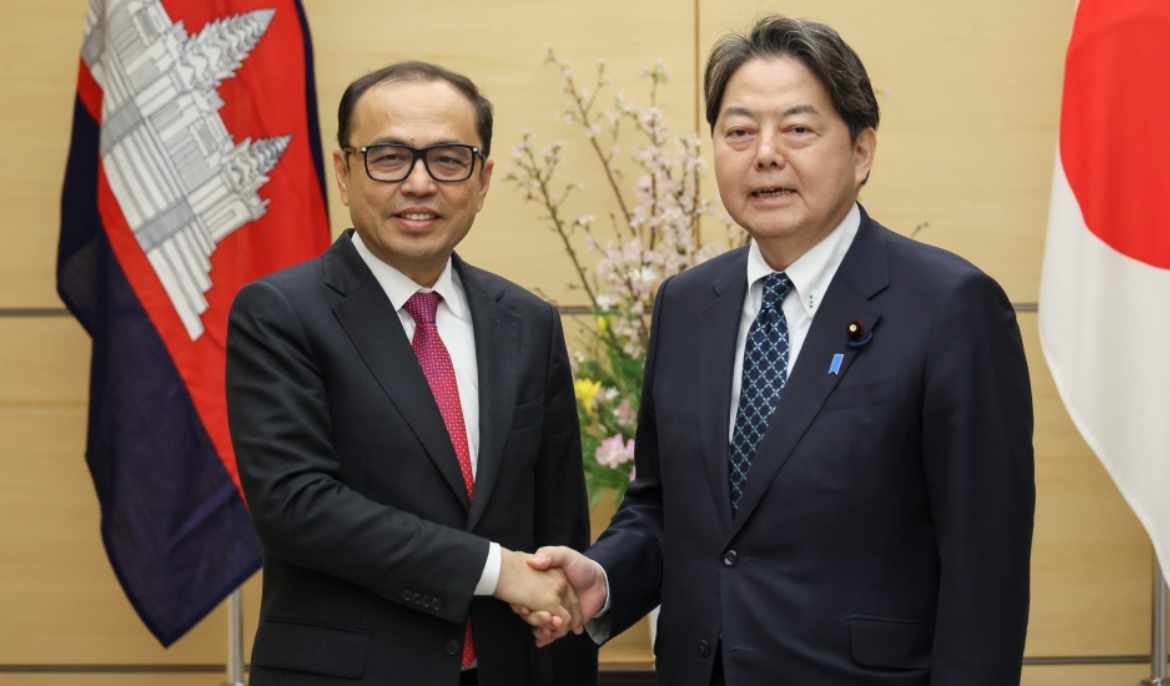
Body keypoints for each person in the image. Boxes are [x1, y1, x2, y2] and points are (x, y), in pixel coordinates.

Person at [523, 15, 1035, 686]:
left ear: (861, 151)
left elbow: (985, 574)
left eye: (798, 129)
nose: (764, 154)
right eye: (738, 132)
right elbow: (664, 508)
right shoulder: (686, 304)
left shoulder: (950, 307)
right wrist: (606, 576)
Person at [226, 61, 597, 686]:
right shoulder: (281, 313)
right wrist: (492, 568)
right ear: (343, 173)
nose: (420, 183)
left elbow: (559, 528)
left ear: (482, 180)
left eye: (449, 160)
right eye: (389, 157)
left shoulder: (527, 322)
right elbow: (296, 506)